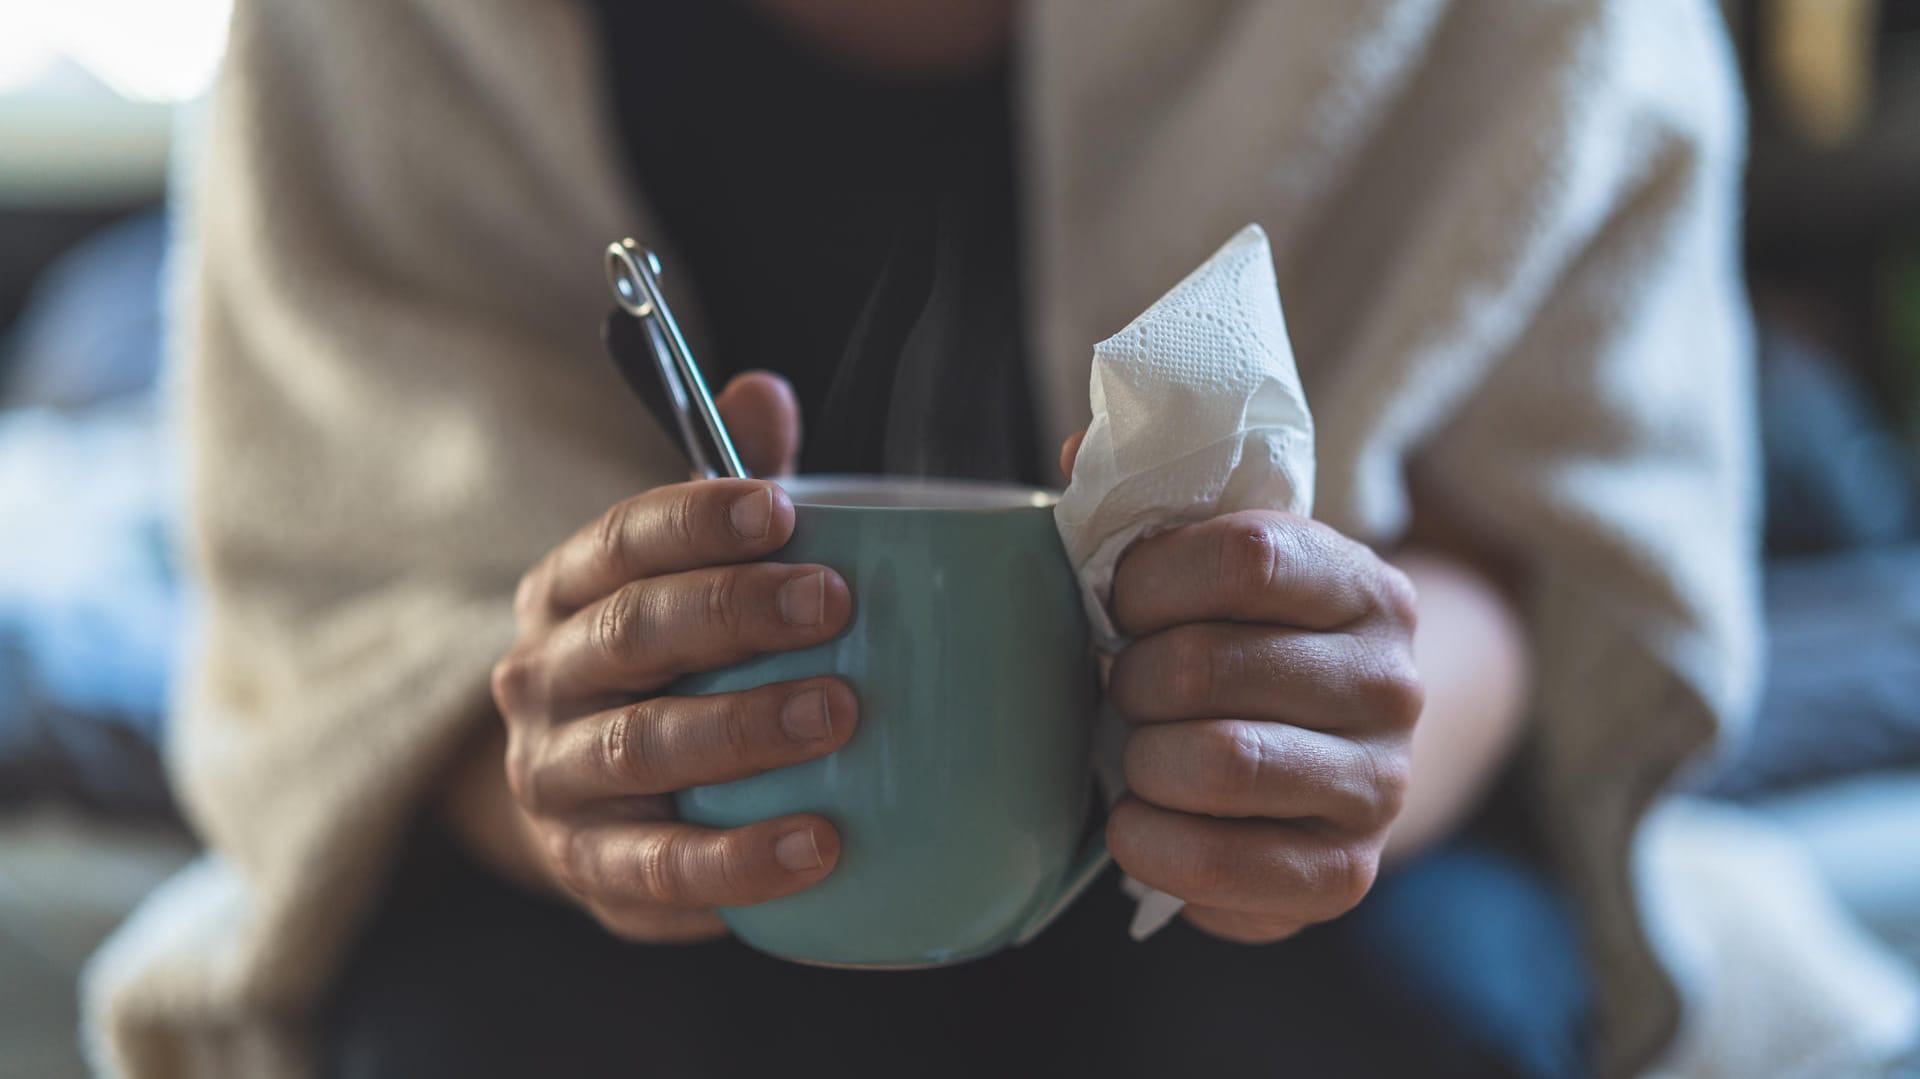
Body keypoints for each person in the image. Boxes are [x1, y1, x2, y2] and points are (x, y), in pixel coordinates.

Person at [83, 2, 1756, 1077]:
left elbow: (1547, 534)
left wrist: (1330, 731)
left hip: (1308, 898)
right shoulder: (376, 37)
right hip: (614, 923)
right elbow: (346, 603)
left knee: (1378, 1027)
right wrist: (573, 774)